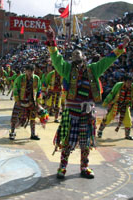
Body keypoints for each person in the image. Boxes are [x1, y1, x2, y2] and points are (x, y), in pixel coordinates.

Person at [45, 26, 130, 179]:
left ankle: (84, 167)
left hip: (87, 112)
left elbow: (107, 60)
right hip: (72, 113)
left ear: (84, 57)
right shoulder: (66, 69)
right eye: (73, 54)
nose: (76, 54)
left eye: (79, 53)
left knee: (85, 143)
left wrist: (120, 48)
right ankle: (62, 167)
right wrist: (52, 43)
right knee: (68, 142)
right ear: (72, 59)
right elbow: (56, 59)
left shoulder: (93, 69)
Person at [9, 64, 45, 141]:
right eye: (28, 71)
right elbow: (15, 89)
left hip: (32, 101)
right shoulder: (20, 78)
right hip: (20, 101)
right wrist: (17, 100)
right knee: (15, 117)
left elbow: (39, 91)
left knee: (32, 118)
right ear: (25, 71)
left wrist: (38, 101)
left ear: (33, 71)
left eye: (31, 71)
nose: (30, 73)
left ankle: (33, 134)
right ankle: (12, 133)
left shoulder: (36, 78)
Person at [97, 75, 133, 140]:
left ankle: (127, 135)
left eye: (130, 83)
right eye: (128, 82)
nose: (129, 84)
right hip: (116, 104)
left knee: (128, 120)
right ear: (124, 82)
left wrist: (130, 104)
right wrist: (107, 102)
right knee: (108, 118)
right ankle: (100, 131)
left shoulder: (132, 87)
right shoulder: (118, 85)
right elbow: (112, 94)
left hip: (125, 105)